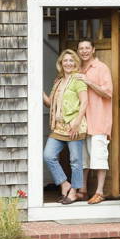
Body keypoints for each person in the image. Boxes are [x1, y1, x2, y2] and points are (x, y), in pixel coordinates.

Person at [43, 49, 88, 204]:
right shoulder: (58, 81)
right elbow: (49, 103)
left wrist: (76, 122)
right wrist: (36, 89)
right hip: (58, 127)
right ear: (61, 63)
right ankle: (64, 183)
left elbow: (84, 102)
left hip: (74, 125)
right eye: (65, 61)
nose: (68, 63)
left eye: (71, 60)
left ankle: (74, 191)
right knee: (48, 156)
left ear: (75, 63)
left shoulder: (78, 80)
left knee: (75, 160)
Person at [75, 38, 113, 204]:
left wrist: (89, 82)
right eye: (81, 48)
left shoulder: (101, 68)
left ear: (93, 50)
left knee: (98, 158)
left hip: (98, 119)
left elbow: (108, 93)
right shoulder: (78, 68)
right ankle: (82, 190)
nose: (84, 51)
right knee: (83, 159)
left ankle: (99, 192)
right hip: (81, 122)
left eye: (87, 48)